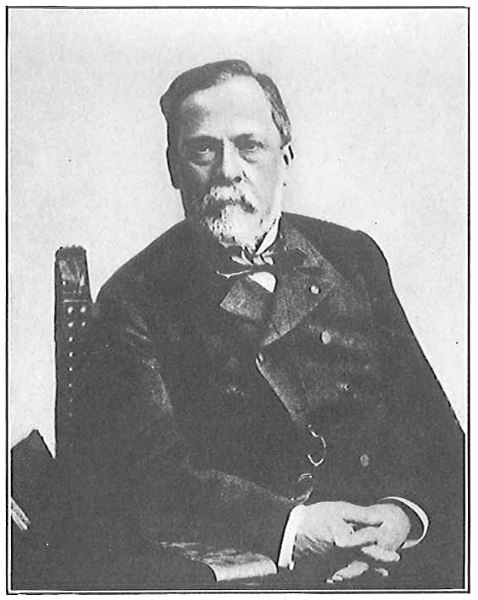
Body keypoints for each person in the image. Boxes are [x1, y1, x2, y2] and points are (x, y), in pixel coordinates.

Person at [68, 59, 464, 590]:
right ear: (173, 169)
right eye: (202, 150)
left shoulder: (353, 257)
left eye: (249, 145)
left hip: (391, 560)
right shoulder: (134, 300)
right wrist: (291, 530)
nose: (227, 170)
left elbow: (436, 435)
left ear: (286, 156)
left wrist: (401, 517)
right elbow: (150, 481)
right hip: (254, 571)